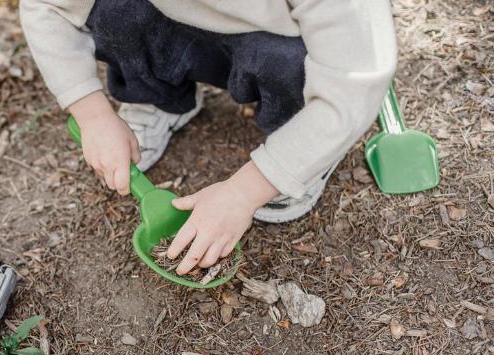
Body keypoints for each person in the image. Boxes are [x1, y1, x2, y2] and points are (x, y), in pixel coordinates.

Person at [20, 0, 397, 275]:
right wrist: (92, 113)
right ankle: (160, 94)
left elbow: (352, 84)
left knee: (287, 62)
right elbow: (45, 5)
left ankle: (298, 140)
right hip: (171, 18)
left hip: (275, 37)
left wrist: (245, 191)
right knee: (114, 9)